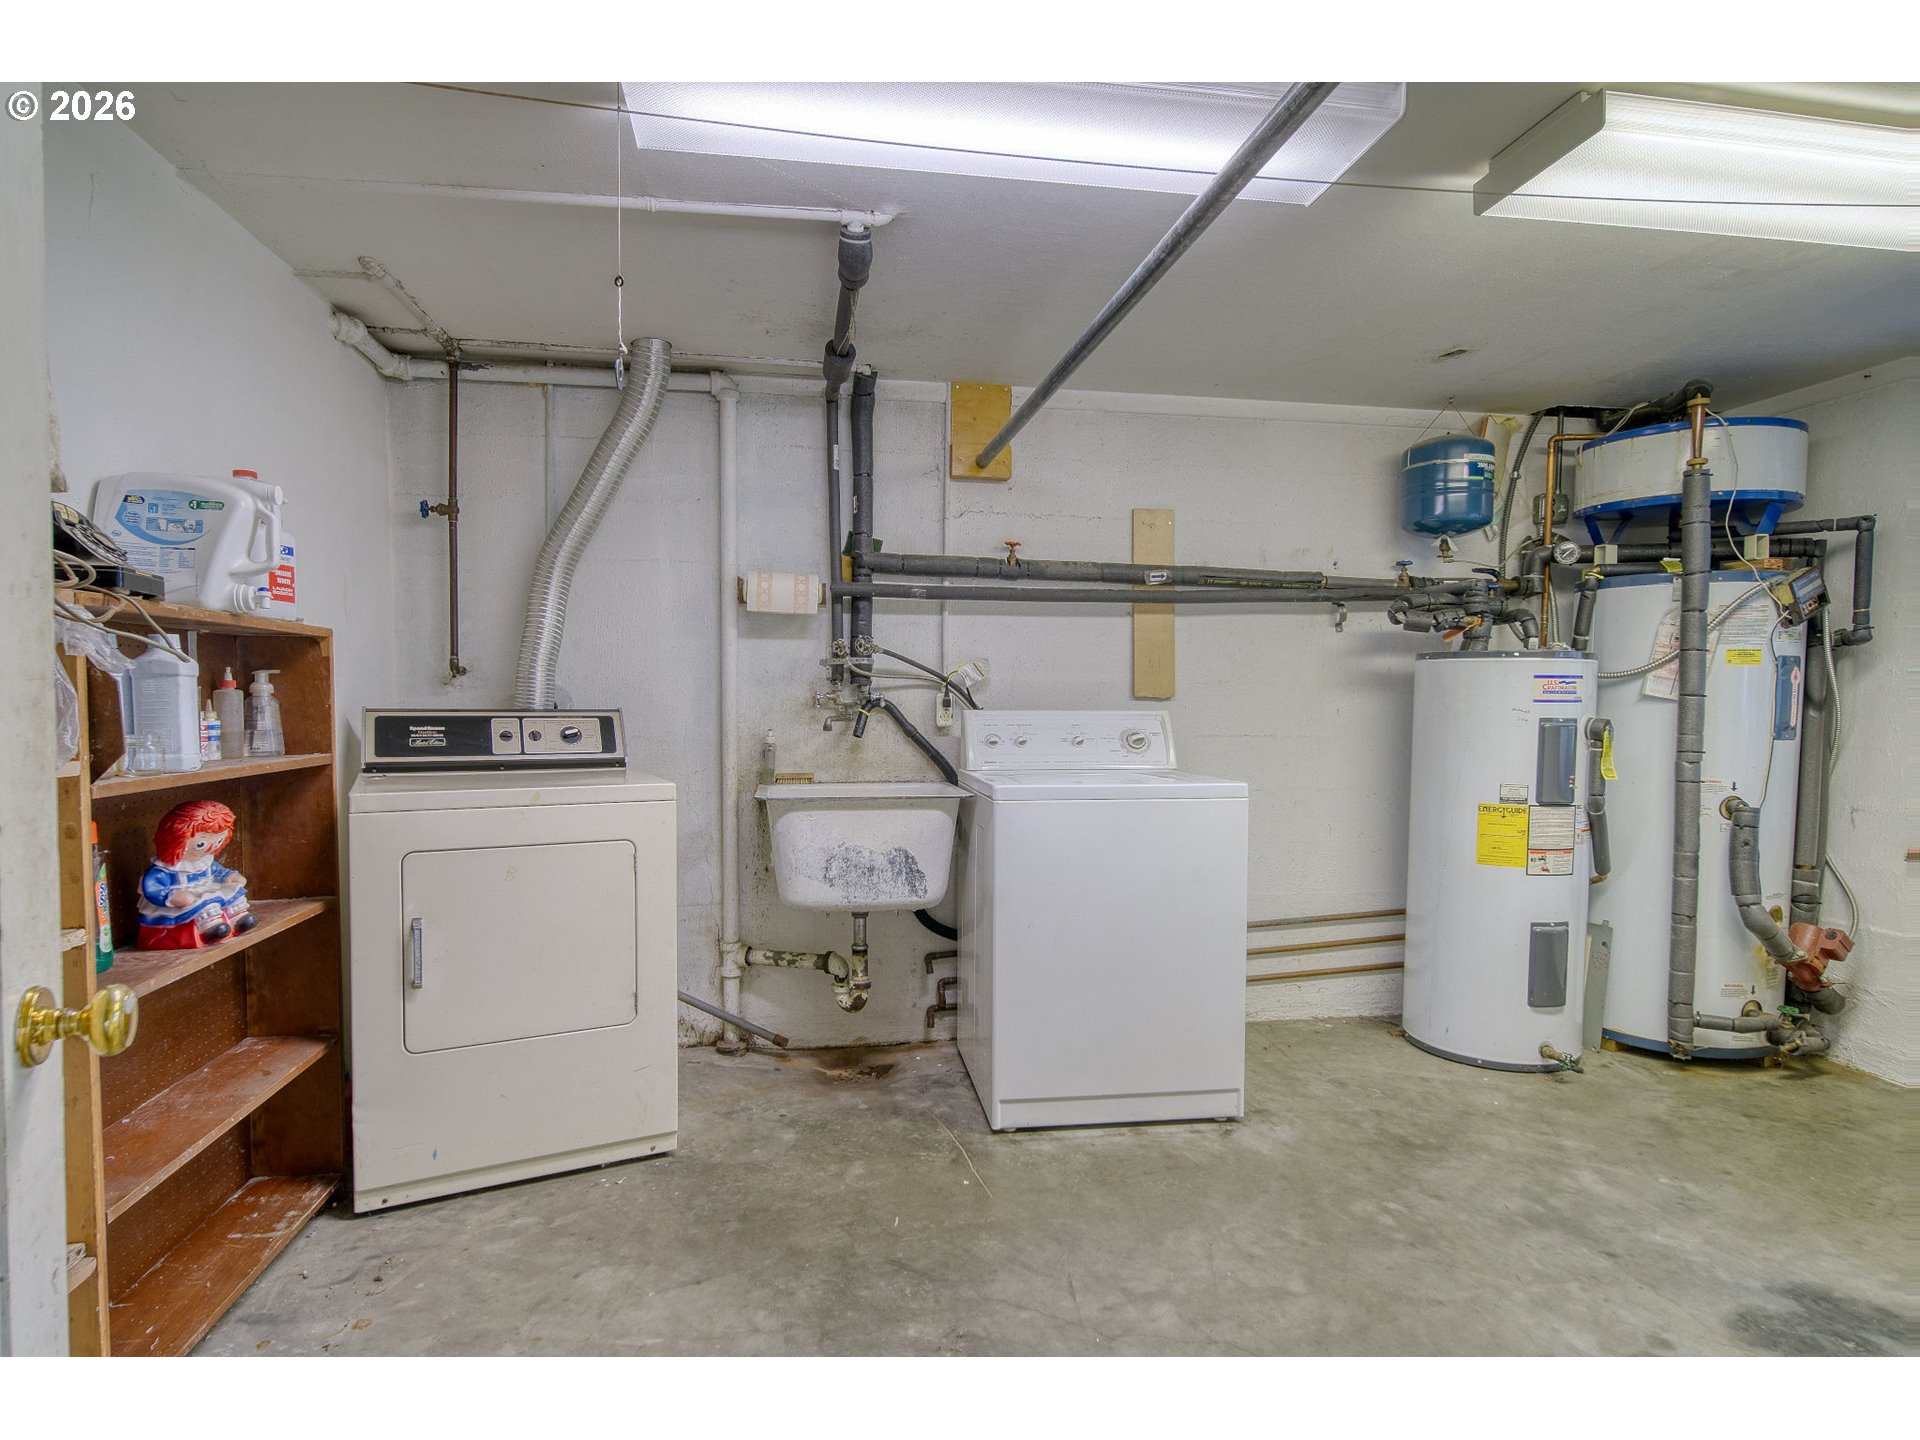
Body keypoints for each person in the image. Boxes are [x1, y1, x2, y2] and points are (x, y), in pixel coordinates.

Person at [136, 798, 256, 949]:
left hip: (204, 888)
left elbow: (217, 871)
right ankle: (211, 928)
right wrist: (171, 896)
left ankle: (238, 917)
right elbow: (152, 888)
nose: (208, 849)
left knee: (231, 893)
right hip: (180, 901)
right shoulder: (165, 870)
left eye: (218, 841)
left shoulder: (204, 861)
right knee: (205, 904)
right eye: (201, 844)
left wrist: (228, 876)